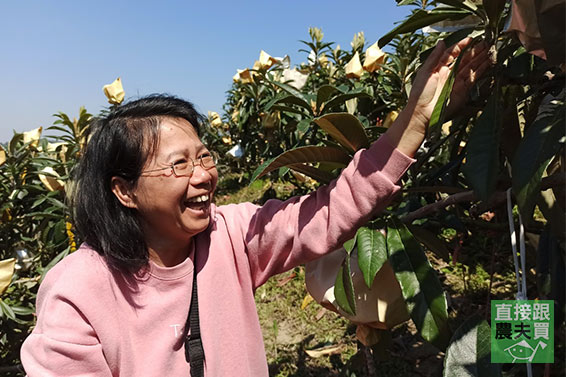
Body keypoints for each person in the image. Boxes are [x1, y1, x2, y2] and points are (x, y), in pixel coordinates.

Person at [20, 38, 490, 376]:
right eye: (178, 165)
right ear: (124, 191)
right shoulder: (77, 292)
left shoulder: (231, 233)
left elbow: (328, 210)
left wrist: (416, 120)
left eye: (203, 156)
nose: (203, 174)